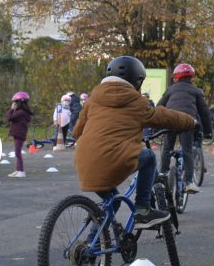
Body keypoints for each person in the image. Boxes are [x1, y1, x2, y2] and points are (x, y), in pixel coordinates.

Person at [73, 56, 195, 228]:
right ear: (137, 80)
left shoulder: (92, 100)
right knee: (148, 156)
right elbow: (163, 116)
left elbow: (77, 132)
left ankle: (89, 248)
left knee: (112, 202)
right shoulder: (136, 101)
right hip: (114, 159)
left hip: (84, 162)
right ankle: (143, 210)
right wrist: (190, 122)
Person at [157, 63, 212, 194]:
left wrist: (155, 126)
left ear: (176, 77)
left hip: (170, 120)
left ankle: (163, 174)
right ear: (191, 78)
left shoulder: (170, 90)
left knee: (166, 148)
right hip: (187, 121)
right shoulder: (196, 91)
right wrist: (208, 131)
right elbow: (204, 112)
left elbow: (159, 106)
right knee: (187, 151)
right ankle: (189, 182)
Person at [6, 91, 33, 178]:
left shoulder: (21, 112)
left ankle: (21, 171)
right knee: (17, 152)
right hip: (19, 134)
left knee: (18, 153)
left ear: (19, 103)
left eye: (15, 103)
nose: (14, 104)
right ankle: (18, 170)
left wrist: (11, 109)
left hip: (19, 134)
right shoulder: (22, 112)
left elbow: (9, 118)